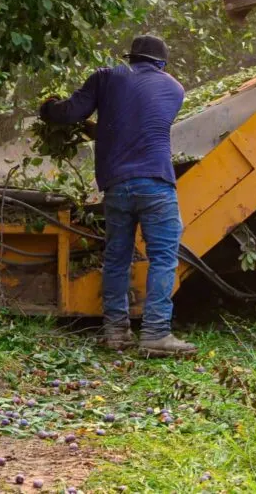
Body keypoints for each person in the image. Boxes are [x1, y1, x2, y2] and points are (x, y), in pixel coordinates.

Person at [39, 34, 195, 357]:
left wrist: (47, 108)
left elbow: (70, 112)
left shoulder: (106, 76)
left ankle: (115, 333)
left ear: (131, 58)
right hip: (156, 183)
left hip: (118, 186)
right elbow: (141, 126)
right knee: (164, 257)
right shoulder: (175, 89)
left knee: (117, 258)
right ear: (162, 64)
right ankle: (155, 333)